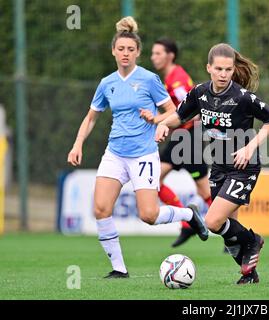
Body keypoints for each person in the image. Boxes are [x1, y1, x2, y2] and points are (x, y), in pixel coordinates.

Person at [67, 17, 208, 279]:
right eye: (121, 49)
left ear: (137, 53)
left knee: (149, 215)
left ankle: (189, 213)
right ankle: (119, 268)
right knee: (100, 208)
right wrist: (78, 144)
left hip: (143, 154)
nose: (125, 54)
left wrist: (159, 122)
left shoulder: (149, 79)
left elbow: (174, 111)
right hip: (115, 154)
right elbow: (91, 117)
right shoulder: (106, 83)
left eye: (130, 50)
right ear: (113, 51)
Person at [142, 43, 269, 284]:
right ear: (209, 68)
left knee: (213, 221)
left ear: (233, 69)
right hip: (218, 166)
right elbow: (180, 115)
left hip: (243, 168)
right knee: (229, 229)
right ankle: (249, 274)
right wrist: (164, 124)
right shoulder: (199, 92)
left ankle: (253, 240)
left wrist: (250, 147)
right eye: (218, 69)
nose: (223, 74)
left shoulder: (242, 97)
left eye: (228, 69)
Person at [151, 38, 212, 248]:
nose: (153, 57)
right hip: (180, 139)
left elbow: (193, 110)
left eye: (158, 53)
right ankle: (188, 221)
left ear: (170, 55)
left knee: (205, 192)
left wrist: (157, 120)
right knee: (152, 180)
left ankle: (233, 231)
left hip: (188, 139)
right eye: (153, 53)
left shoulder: (177, 80)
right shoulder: (168, 78)